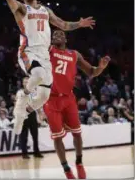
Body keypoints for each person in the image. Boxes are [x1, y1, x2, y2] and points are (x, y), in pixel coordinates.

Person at [1, 0, 95, 135]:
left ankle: (22, 112)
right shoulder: (21, 9)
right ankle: (23, 95)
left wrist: (79, 24)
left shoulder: (46, 11)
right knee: (36, 74)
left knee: (44, 96)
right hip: (27, 52)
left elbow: (63, 25)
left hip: (45, 55)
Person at [43, 30, 110, 179]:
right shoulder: (48, 50)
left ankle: (79, 163)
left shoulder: (74, 55)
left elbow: (92, 72)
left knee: (77, 133)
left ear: (66, 39)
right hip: (51, 99)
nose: (57, 36)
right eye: (54, 35)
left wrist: (101, 68)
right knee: (57, 137)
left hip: (68, 98)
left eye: (60, 34)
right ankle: (66, 169)